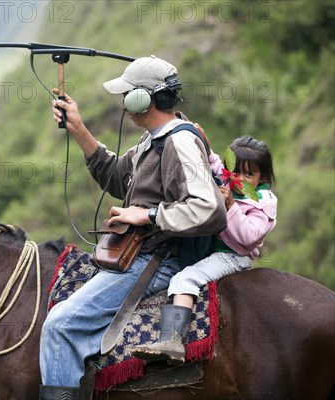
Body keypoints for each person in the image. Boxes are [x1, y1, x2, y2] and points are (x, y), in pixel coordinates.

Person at [38, 56, 228, 399]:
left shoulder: (178, 142)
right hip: (143, 253)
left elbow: (210, 209)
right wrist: (78, 129)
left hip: (159, 259)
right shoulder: (152, 141)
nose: (124, 103)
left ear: (144, 99)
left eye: (128, 95)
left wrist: (148, 216)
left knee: (59, 327)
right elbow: (115, 176)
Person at [131, 133, 278, 365]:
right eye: (236, 172)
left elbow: (248, 237)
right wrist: (205, 146)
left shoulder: (263, 202)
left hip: (233, 255)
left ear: (262, 178)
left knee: (185, 279)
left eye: (249, 174)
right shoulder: (229, 183)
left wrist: (230, 206)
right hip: (216, 249)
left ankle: (172, 340)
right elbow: (217, 166)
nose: (240, 179)